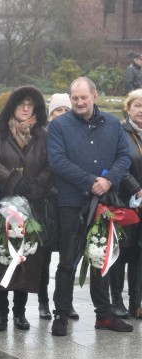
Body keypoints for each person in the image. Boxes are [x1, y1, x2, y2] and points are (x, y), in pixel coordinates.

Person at [47, 77, 133, 336]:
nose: (79, 102)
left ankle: (104, 315)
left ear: (94, 96)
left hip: (104, 204)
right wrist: (89, 181)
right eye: (75, 98)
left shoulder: (113, 124)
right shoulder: (59, 126)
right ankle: (61, 314)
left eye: (84, 97)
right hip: (72, 203)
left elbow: (124, 156)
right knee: (67, 260)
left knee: (102, 259)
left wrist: (108, 180)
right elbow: (57, 161)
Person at [0, 86, 54, 332]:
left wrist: (38, 183)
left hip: (32, 206)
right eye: (22, 103)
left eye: (31, 104)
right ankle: (1, 314)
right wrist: (11, 178)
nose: (26, 108)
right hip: (2, 207)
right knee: (1, 257)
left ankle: (20, 313)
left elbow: (52, 164)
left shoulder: (44, 134)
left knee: (25, 259)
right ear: (13, 106)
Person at [37, 93, 76, 321]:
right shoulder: (43, 136)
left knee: (68, 256)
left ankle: (65, 302)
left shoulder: (75, 134)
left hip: (70, 203)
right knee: (44, 258)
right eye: (57, 111)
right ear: (51, 115)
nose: (62, 115)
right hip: (48, 203)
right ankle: (43, 301)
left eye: (65, 111)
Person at [112, 89, 142, 319]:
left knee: (139, 254)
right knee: (122, 252)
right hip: (124, 200)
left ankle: (136, 302)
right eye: (137, 105)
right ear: (128, 108)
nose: (141, 110)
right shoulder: (119, 132)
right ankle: (116, 300)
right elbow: (118, 164)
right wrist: (137, 188)